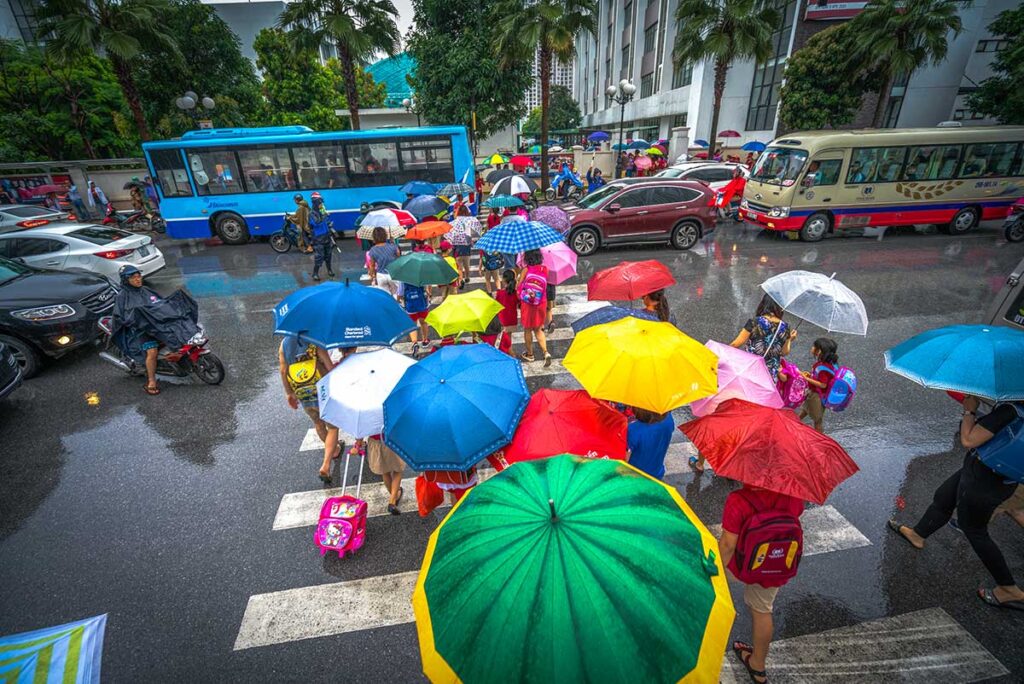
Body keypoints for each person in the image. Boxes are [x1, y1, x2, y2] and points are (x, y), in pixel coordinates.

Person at [889, 397, 1024, 611]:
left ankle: (1008, 588)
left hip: (984, 481)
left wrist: (969, 412)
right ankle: (918, 534)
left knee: (975, 531)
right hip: (988, 474)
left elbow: (969, 440)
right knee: (944, 497)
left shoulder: (1009, 411)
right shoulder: (1015, 410)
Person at [719, 484, 805, 684]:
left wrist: (714, 572)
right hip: (772, 563)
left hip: (739, 564)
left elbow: (728, 544)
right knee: (762, 611)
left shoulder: (738, 500)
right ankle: (758, 665)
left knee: (712, 597)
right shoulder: (793, 493)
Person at [279, 336, 340, 481]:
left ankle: (334, 449)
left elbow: (283, 371)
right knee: (332, 427)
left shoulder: (284, 344)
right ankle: (326, 464)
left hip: (302, 390)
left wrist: (289, 393)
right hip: (322, 389)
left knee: (318, 423)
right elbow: (329, 367)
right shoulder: (315, 340)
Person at [112, 265, 165, 395]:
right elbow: (120, 316)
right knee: (152, 352)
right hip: (139, 330)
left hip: (155, 325)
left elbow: (161, 303)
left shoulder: (146, 290)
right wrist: (135, 321)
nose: (137, 280)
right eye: (133, 277)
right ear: (126, 280)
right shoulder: (122, 296)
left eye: (138, 276)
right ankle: (151, 381)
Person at [730, 294, 795, 382]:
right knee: (762, 395)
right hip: (769, 374)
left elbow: (736, 343)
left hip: (751, 368)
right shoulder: (785, 327)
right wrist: (789, 340)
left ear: (764, 304)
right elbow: (784, 352)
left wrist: (720, 353)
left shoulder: (755, 322)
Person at [517, 249, 551, 366]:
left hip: (528, 303)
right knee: (538, 329)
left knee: (527, 329)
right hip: (541, 302)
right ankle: (546, 352)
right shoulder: (545, 269)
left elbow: (519, 287)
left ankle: (530, 354)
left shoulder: (526, 270)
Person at [799, 338, 838, 433]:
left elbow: (823, 384)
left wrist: (807, 379)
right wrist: (810, 375)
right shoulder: (825, 364)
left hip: (816, 396)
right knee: (805, 411)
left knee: (817, 420)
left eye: (814, 346)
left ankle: (820, 439)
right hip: (813, 394)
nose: (812, 348)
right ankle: (792, 424)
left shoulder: (823, 368)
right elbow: (819, 378)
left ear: (819, 351)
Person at [626, 407, 675, 479]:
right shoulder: (668, 420)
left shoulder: (633, 429)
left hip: (636, 475)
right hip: (657, 472)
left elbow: (625, 458)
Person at [366, 434, 405, 514]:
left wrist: (358, 443)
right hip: (393, 439)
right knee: (398, 470)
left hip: (376, 442)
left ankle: (394, 495)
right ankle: (393, 500)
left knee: (385, 471)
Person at [398, 279, 430, 355]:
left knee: (413, 325)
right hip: (422, 303)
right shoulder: (421, 275)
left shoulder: (403, 278)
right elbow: (426, 289)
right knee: (423, 323)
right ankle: (425, 340)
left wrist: (398, 300)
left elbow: (400, 292)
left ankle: (415, 343)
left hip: (410, 305)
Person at [448, 205, 477, 288]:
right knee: (467, 264)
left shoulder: (456, 222)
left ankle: (460, 280)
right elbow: (469, 234)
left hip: (457, 245)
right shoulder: (468, 222)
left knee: (459, 265)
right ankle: (467, 277)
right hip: (466, 245)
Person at [367, 227, 401, 296]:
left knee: (385, 296)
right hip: (393, 274)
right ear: (385, 235)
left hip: (381, 275)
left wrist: (372, 275)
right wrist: (393, 244)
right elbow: (399, 257)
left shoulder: (372, 250)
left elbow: (372, 265)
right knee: (396, 294)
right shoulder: (393, 246)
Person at [308, 192, 334, 281]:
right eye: (319, 203)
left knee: (329, 255)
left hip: (326, 236)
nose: (321, 204)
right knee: (319, 256)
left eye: (321, 202)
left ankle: (329, 269)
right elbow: (316, 223)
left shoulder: (322, 211)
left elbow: (325, 222)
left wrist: (329, 224)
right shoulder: (311, 213)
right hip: (318, 238)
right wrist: (324, 215)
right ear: (315, 203)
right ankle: (315, 273)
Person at [495, 269, 519, 356]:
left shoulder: (500, 293)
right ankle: (510, 351)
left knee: (502, 338)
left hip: (502, 320)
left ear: (504, 280)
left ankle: (509, 353)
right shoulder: (515, 293)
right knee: (508, 337)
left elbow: (496, 305)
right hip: (512, 319)